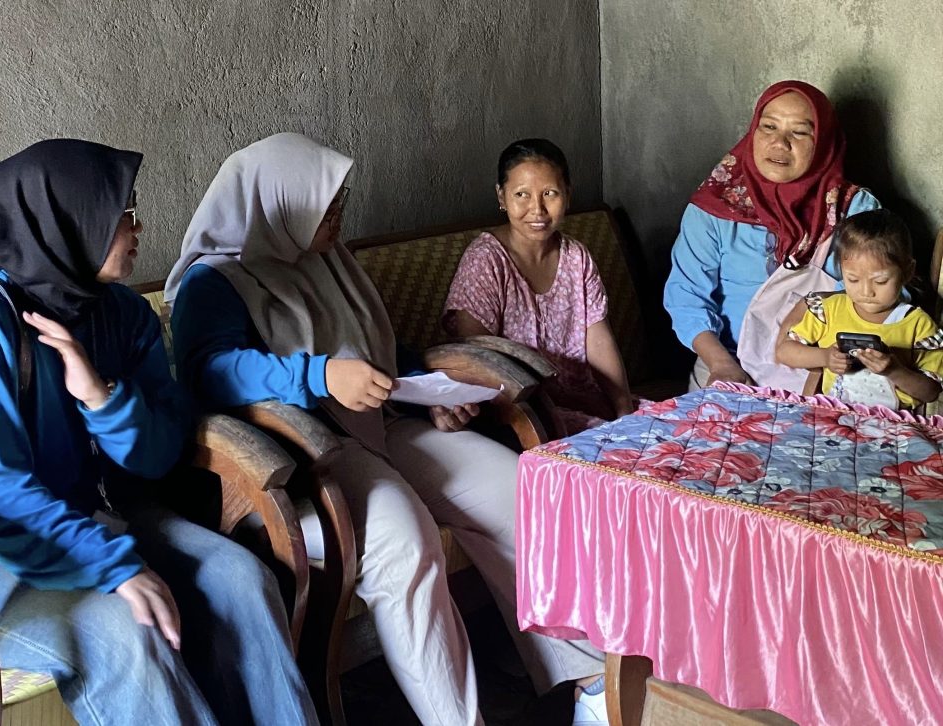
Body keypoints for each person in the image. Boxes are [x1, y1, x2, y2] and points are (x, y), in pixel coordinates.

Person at [166, 133, 609, 726]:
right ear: (279, 204)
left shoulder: (326, 258)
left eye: (338, 199)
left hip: (379, 420)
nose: (338, 214)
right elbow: (210, 372)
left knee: (523, 489)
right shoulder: (214, 281)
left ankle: (586, 680)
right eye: (325, 204)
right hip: (302, 452)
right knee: (405, 539)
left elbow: (375, 348)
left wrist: (429, 393)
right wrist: (320, 375)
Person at [0, 139, 317, 725]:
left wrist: (100, 397)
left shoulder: (122, 314)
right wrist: (117, 566)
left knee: (243, 579)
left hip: (91, 514)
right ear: (70, 222)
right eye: (121, 214)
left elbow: (157, 455)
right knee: (130, 634)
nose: (137, 227)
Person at [663, 80, 880, 390]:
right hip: (727, 365)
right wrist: (722, 364)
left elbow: (881, 296)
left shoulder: (854, 210)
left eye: (800, 132)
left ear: (825, 143)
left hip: (823, 370)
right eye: (769, 127)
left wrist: (818, 367)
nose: (780, 143)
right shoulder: (714, 207)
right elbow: (686, 297)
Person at [443, 138, 634, 433]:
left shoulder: (576, 256)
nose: (537, 209)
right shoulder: (487, 260)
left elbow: (598, 340)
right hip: (520, 413)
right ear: (501, 197)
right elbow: (477, 356)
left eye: (550, 193)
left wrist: (624, 410)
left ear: (567, 195)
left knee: (659, 429)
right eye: (521, 194)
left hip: (584, 401)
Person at [776, 209, 943, 410]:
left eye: (880, 281)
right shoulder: (828, 311)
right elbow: (784, 352)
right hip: (836, 415)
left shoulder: (918, 325)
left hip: (891, 423)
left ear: (907, 271)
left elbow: (931, 392)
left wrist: (894, 370)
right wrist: (825, 357)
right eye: (853, 279)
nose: (866, 292)